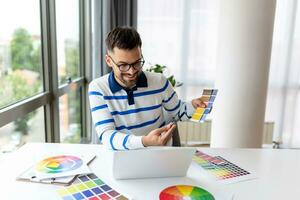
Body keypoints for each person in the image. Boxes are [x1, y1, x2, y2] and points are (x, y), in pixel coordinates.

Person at [89, 27, 207, 150]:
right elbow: (106, 136)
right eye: (123, 65)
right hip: (124, 156)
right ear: (108, 61)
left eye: (137, 63)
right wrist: (144, 141)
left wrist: (194, 106)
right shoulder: (98, 88)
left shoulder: (159, 81)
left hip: (161, 154)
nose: (131, 71)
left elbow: (178, 112)